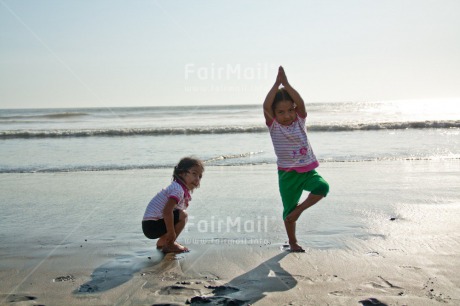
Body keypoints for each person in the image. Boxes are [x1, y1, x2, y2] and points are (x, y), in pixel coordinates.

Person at [263, 66, 329, 252]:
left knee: (322, 187)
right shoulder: (274, 126)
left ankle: (298, 211)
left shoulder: (300, 120)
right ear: (274, 115)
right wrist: (276, 84)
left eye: (290, 110)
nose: (287, 115)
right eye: (281, 112)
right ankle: (292, 242)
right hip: (287, 175)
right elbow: (266, 106)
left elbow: (300, 102)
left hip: (308, 171)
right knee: (288, 212)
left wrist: (287, 84)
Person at [142, 157, 204, 253]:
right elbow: (167, 211)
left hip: (150, 225)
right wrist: (171, 233)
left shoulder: (177, 187)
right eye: (194, 174)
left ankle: (163, 242)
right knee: (183, 215)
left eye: (200, 176)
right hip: (152, 225)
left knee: (178, 214)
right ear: (181, 173)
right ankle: (169, 244)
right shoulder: (178, 190)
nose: (197, 179)